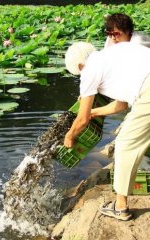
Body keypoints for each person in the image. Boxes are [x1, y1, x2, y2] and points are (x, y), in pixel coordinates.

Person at [64, 41, 150, 221]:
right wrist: (94, 112)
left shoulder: (89, 70)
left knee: (125, 144)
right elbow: (121, 104)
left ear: (80, 66)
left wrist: (70, 136)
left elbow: (81, 119)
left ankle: (120, 207)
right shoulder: (112, 54)